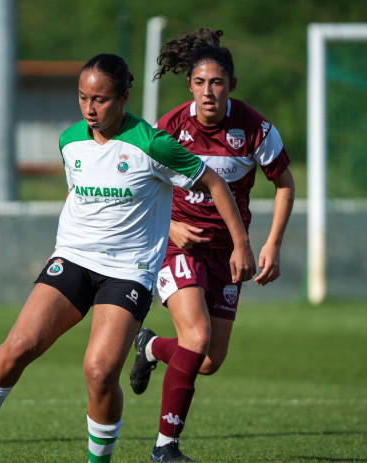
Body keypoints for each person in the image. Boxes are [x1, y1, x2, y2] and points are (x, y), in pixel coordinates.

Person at [0, 53, 256, 463]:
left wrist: (241, 244)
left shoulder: (151, 144)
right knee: (19, 346)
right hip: (73, 259)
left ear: (123, 98)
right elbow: (78, 193)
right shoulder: (70, 140)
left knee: (99, 372)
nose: (89, 108)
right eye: (82, 97)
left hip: (127, 273)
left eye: (99, 99)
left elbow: (212, 182)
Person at [127, 28, 295, 461]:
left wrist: (270, 245)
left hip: (228, 253)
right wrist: (169, 230)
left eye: (216, 83)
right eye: (200, 83)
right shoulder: (168, 128)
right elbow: (139, 187)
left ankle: (149, 345)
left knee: (207, 360)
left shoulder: (255, 129)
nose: (208, 92)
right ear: (189, 86)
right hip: (177, 247)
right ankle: (166, 448)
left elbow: (284, 185)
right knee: (197, 336)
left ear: (231, 86)